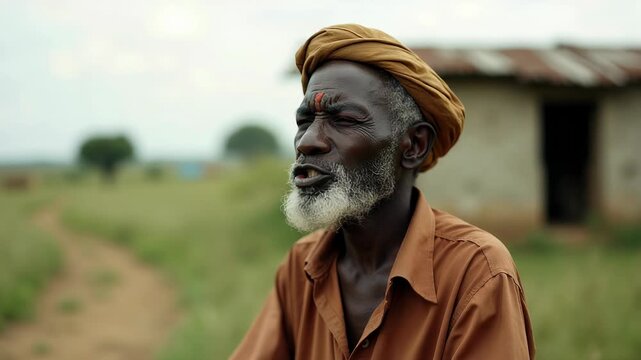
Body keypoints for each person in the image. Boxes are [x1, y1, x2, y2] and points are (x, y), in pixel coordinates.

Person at [231, 24, 535, 360]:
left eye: (343, 119)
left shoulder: (477, 272)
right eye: (305, 120)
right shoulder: (300, 268)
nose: (307, 141)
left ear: (414, 145)